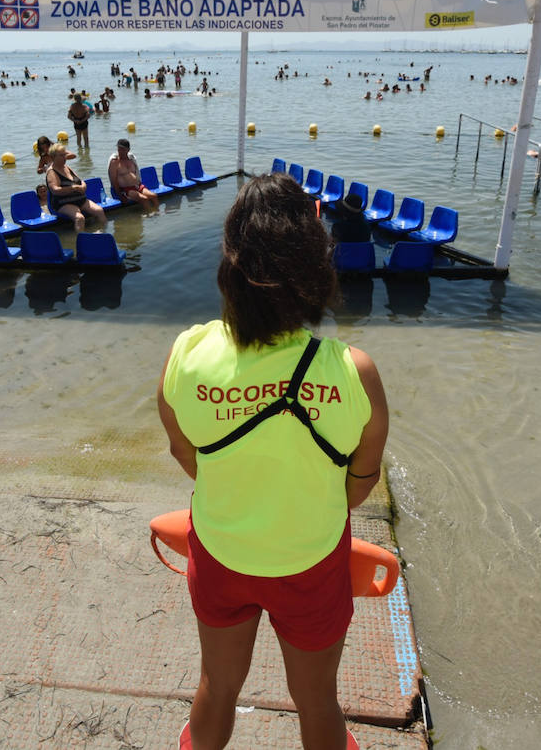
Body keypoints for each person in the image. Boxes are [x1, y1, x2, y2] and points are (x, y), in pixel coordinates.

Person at [157, 173, 388, 750]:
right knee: (317, 702)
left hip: (222, 552)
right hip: (309, 561)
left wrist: (242, 490)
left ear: (230, 265)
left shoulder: (187, 354)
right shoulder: (354, 371)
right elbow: (356, 489)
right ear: (314, 266)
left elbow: (188, 456)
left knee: (216, 684)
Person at [45, 143, 104, 230]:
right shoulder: (51, 172)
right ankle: (81, 240)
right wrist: (74, 188)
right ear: (53, 157)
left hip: (80, 199)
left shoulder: (66, 167)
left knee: (99, 211)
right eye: (61, 155)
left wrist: (83, 186)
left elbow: (80, 180)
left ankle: (104, 233)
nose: (64, 157)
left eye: (65, 155)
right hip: (63, 203)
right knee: (79, 218)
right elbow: (55, 190)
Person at [108, 138, 158, 206]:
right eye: (119, 149)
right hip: (125, 190)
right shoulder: (115, 162)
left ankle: (157, 214)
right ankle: (149, 215)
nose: (120, 151)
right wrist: (120, 195)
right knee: (144, 199)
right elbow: (113, 181)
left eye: (123, 149)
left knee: (154, 196)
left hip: (137, 186)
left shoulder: (131, 160)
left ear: (128, 150)